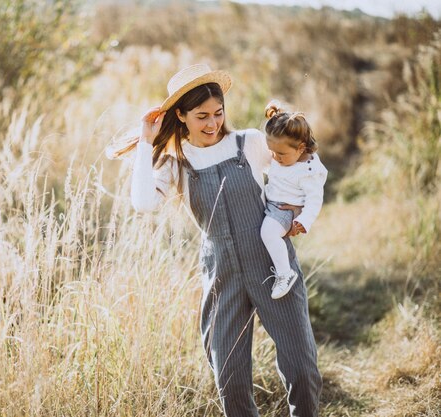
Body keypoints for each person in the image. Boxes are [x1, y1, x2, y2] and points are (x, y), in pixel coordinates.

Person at [112, 64, 322, 416]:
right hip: (221, 274)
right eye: (201, 116)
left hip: (273, 267)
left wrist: (297, 211)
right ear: (180, 116)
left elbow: (302, 164)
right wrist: (147, 143)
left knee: (302, 368)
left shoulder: (250, 143)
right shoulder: (177, 161)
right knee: (230, 379)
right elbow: (143, 203)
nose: (212, 123)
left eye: (218, 113)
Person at [260, 101, 328, 299]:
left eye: (280, 154)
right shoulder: (282, 155)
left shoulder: (308, 171)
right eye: (272, 151)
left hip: (285, 210)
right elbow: (273, 169)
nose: (275, 157)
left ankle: (285, 273)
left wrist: (301, 221)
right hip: (271, 201)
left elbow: (315, 200)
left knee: (269, 234)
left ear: (300, 148)